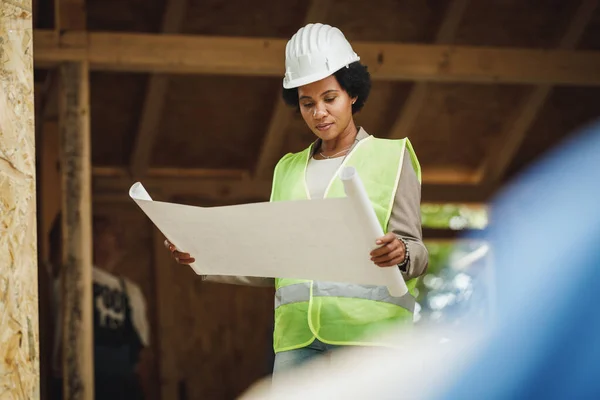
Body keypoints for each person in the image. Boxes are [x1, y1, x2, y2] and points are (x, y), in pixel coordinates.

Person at [165, 23, 428, 375]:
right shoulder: (286, 169)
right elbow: (274, 260)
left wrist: (404, 252)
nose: (318, 113)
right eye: (307, 103)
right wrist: (203, 254)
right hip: (297, 341)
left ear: (352, 93)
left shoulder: (392, 156)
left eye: (329, 98)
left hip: (372, 340)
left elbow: (417, 250)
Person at [49, 214, 151, 399]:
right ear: (91, 237)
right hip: (76, 384)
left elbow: (140, 356)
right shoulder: (68, 277)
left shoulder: (130, 291)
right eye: (109, 231)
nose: (120, 236)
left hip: (122, 387)